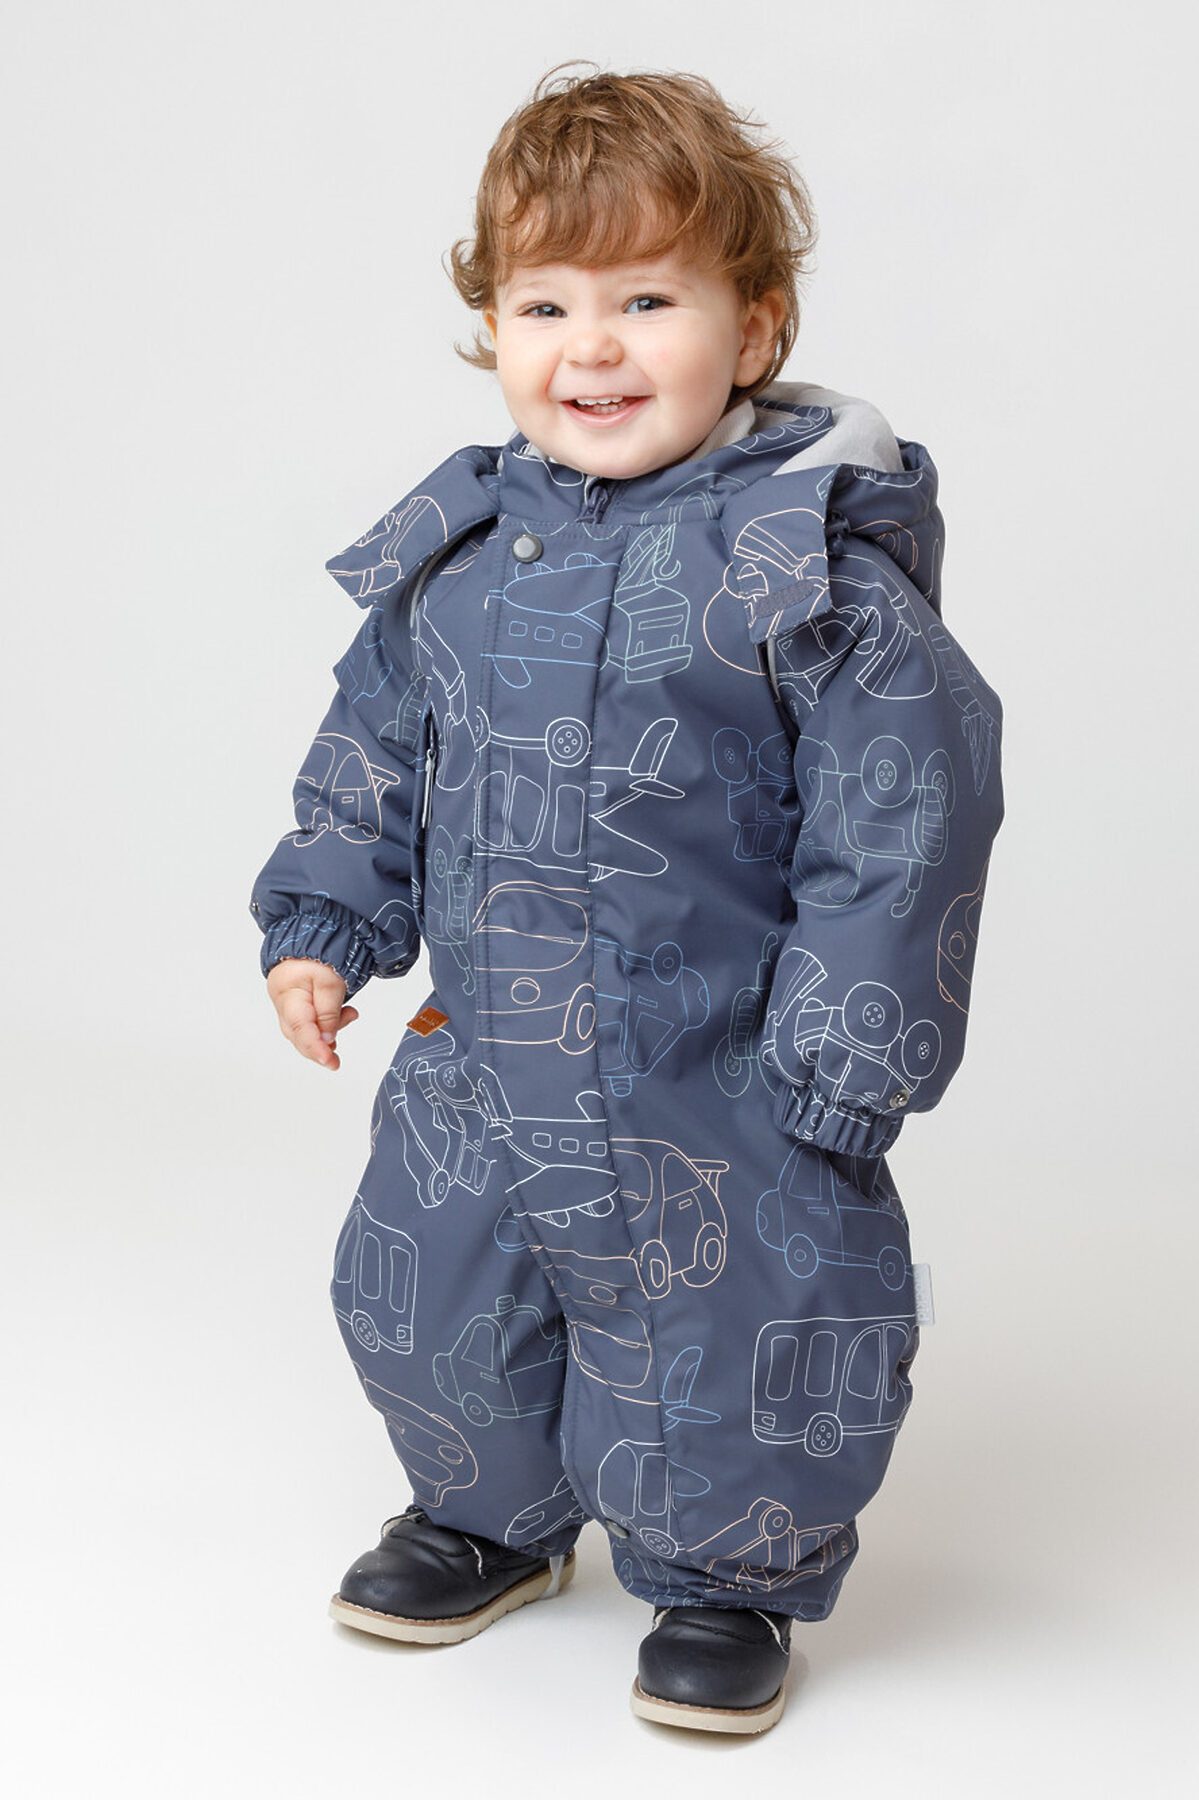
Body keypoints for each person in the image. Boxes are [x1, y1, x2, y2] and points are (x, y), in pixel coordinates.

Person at [248, 61, 1005, 1736]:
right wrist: (324, 923)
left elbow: (905, 814)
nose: (591, 347)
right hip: (482, 1048)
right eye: (547, 305)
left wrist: (848, 1046)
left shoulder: (803, 570)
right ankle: (488, 1517)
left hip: (714, 1065)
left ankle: (728, 1574)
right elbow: (372, 745)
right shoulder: (459, 559)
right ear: (492, 329)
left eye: (647, 299)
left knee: (746, 1320)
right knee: (431, 1285)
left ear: (754, 327)